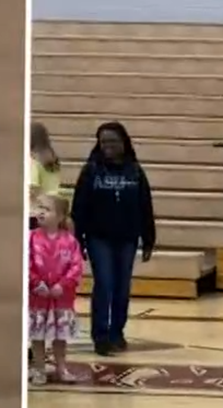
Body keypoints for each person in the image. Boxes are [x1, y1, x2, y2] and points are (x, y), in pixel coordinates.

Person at [71, 121, 156, 356]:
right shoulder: (91, 171)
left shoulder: (135, 171)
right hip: (99, 237)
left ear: (124, 143)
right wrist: (78, 240)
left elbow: (145, 206)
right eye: (103, 142)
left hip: (127, 237)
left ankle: (117, 332)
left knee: (122, 287)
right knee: (105, 284)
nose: (108, 145)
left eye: (113, 141)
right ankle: (100, 336)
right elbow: (79, 207)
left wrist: (148, 238)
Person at [28, 194, 83, 385]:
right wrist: (36, 283)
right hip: (38, 298)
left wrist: (63, 284)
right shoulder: (30, 238)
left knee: (60, 336)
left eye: (47, 209)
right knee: (37, 336)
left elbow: (76, 267)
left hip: (62, 299)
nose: (41, 212)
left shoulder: (70, 241)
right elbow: (26, 263)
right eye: (39, 207)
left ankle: (61, 368)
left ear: (60, 217)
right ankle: (39, 369)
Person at [29, 122, 62, 230]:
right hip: (54, 209)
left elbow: (32, 188)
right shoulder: (52, 159)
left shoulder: (32, 160)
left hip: (35, 213)